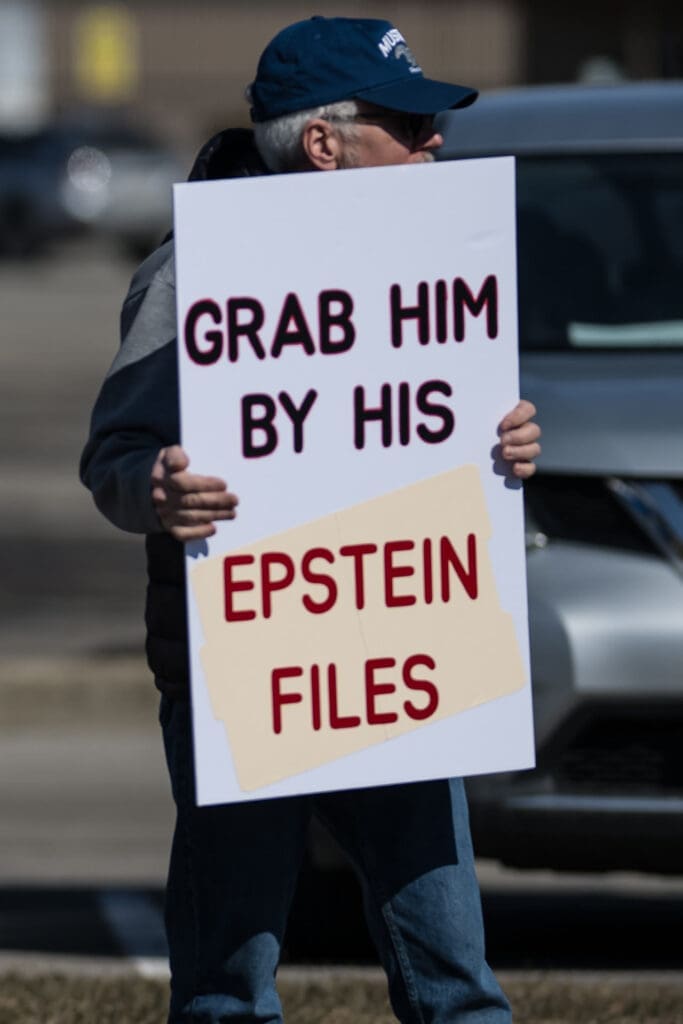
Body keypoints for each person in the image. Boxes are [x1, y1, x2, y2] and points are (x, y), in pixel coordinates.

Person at [81, 16, 541, 1024]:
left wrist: (502, 447)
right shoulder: (192, 273)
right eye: (408, 125)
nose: (433, 144)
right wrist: (157, 487)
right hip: (240, 671)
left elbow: (442, 423)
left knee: (455, 978)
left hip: (399, 653)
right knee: (227, 983)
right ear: (325, 144)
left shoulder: (430, 266)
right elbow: (109, 457)